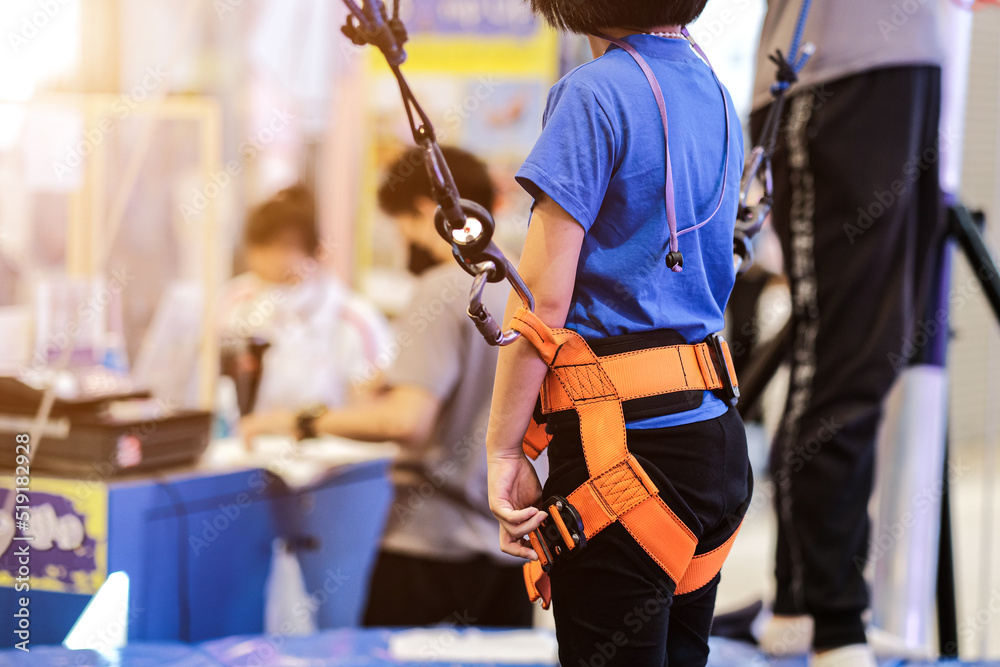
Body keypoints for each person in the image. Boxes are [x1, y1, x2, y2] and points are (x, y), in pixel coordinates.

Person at [485, 1, 751, 665]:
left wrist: (503, 449)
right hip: (711, 441)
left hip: (622, 449)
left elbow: (542, 306)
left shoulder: (591, 94)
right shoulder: (715, 92)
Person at [242, 147, 534, 628]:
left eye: (399, 223)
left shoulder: (444, 287)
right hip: (508, 550)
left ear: (424, 212)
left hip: (432, 550)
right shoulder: (523, 286)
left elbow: (406, 421)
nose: (401, 241)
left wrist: (297, 420)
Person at [749, 4, 946, 666]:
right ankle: (829, 616)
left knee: (870, 352)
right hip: (830, 70)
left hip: (906, 67)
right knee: (841, 358)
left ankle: (806, 603)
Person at [218, 185, 390, 414]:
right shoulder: (235, 302)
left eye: (284, 248)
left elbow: (374, 407)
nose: (268, 259)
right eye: (260, 246)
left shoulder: (356, 320)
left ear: (317, 253)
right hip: (245, 443)